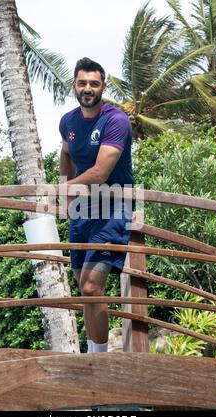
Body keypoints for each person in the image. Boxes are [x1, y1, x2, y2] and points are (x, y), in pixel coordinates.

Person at [59, 57, 134, 353]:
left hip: (113, 209)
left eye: (93, 83)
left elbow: (101, 172)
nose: (87, 88)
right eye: (82, 83)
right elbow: (66, 153)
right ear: (74, 86)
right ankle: (93, 358)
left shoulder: (116, 121)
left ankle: (100, 363)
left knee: (92, 286)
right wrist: (66, 192)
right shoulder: (68, 121)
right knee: (85, 291)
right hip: (83, 212)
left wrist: (62, 188)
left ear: (103, 86)